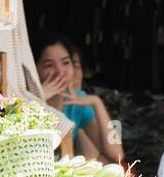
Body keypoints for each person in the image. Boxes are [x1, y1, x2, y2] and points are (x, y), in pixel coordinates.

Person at [36, 34, 122, 165]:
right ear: (35, 69)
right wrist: (38, 100)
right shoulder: (26, 100)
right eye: (49, 65)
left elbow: (117, 154)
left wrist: (97, 103)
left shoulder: (77, 102)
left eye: (66, 63)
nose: (60, 72)